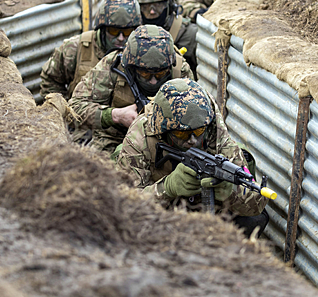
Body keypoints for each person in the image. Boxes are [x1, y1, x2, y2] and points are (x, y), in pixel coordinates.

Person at [115, 78, 269, 237]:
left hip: (201, 213)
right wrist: (167, 188)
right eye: (182, 133)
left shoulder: (216, 134)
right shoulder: (140, 138)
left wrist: (231, 192)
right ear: (164, 130)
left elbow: (255, 207)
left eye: (199, 130)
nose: (193, 140)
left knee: (255, 220)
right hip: (162, 218)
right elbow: (124, 209)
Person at [68, 25, 194, 154]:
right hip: (115, 138)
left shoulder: (180, 70)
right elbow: (74, 109)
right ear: (131, 67)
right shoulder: (112, 65)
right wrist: (115, 115)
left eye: (160, 74)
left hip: (167, 143)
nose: (153, 81)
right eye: (145, 74)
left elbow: (195, 115)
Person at [40, 0, 141, 100]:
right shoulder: (75, 48)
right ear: (102, 28)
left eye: (127, 32)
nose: (121, 38)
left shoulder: (141, 51)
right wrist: (64, 109)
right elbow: (50, 80)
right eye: (114, 31)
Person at [129, 0, 199, 78]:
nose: (152, 11)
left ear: (170, 4)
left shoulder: (189, 35)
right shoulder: (128, 36)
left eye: (158, 5)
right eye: (145, 6)